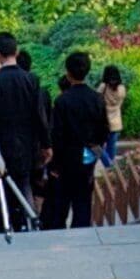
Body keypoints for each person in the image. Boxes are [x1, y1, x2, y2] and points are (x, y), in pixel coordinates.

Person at [0, 32, 51, 238]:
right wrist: (46, 144)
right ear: (17, 51)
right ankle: (30, 223)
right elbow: (39, 116)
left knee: (1, 186)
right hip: (28, 144)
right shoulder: (31, 79)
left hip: (2, 144)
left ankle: (6, 226)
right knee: (24, 182)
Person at [44, 50, 110, 229]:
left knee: (61, 204)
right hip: (87, 158)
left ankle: (59, 233)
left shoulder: (62, 101)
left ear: (68, 72)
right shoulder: (97, 99)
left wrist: (54, 165)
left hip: (66, 160)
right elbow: (104, 130)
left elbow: (57, 135)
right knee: (83, 203)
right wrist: (95, 150)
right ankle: (82, 235)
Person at [97, 64, 129, 163]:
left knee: (96, 147)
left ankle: (109, 165)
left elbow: (96, 100)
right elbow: (120, 104)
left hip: (103, 122)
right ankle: (111, 168)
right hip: (116, 122)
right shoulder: (122, 88)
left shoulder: (103, 87)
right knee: (111, 148)